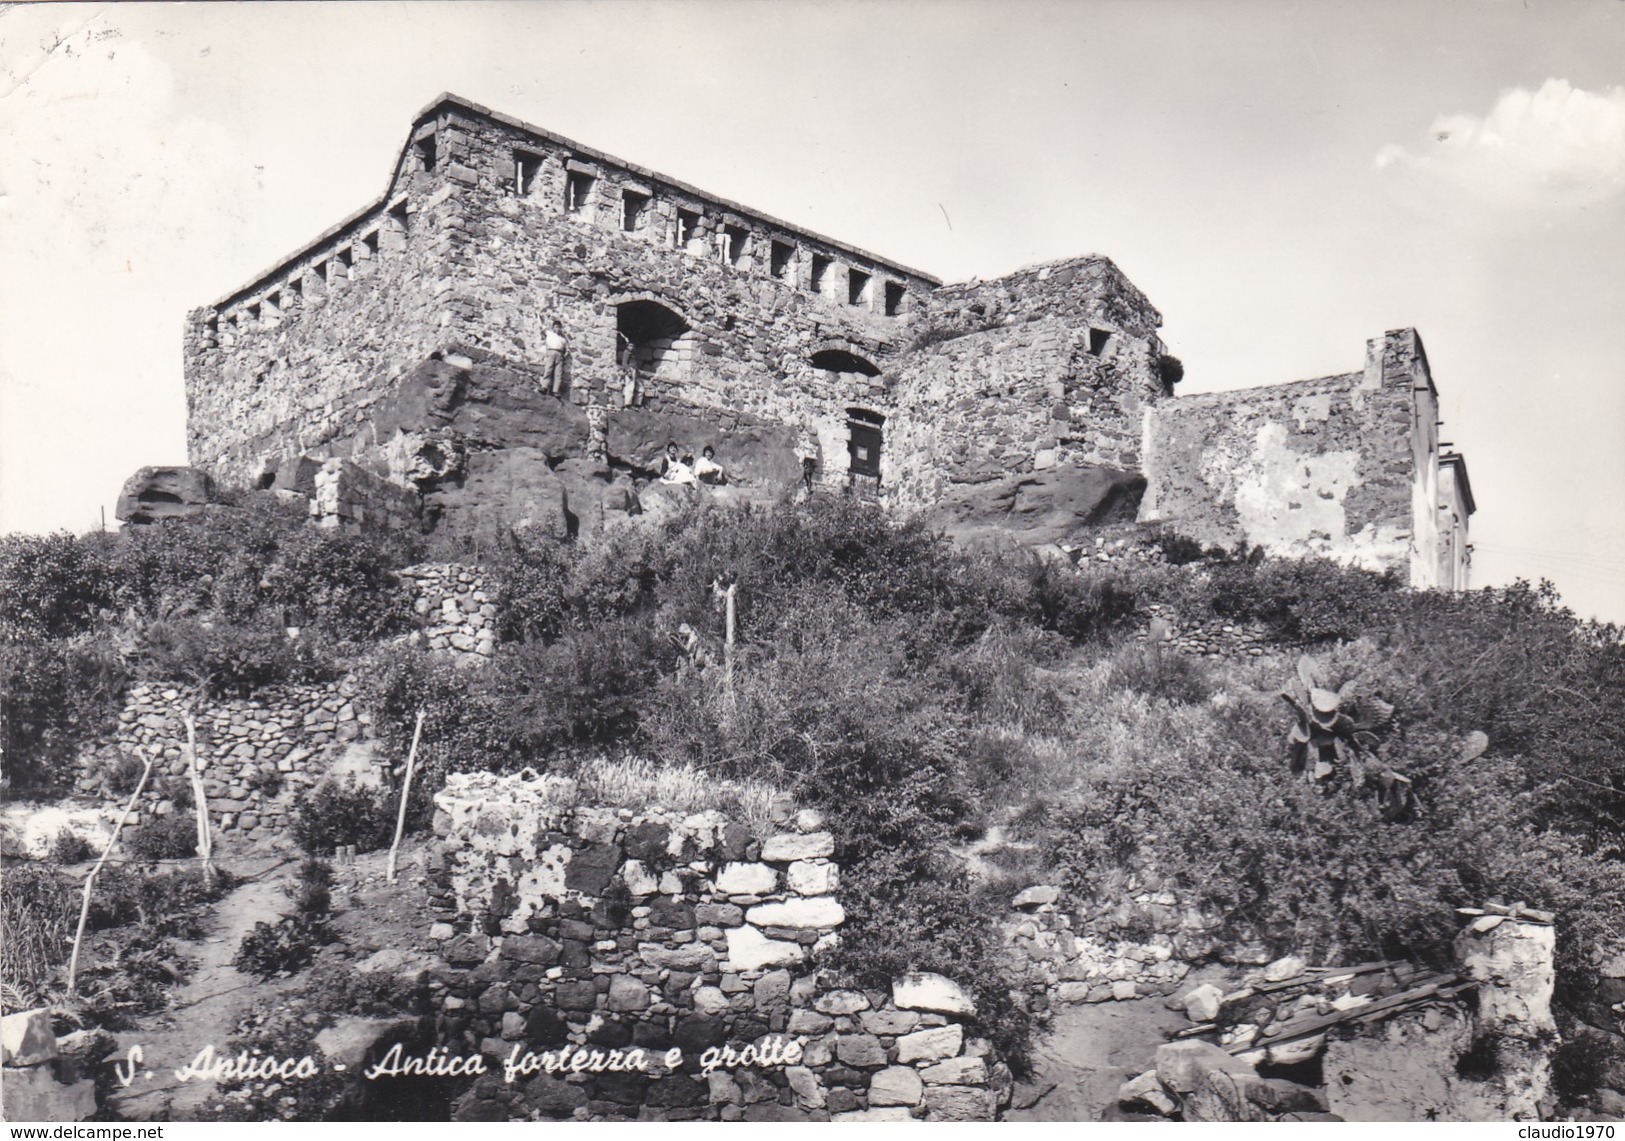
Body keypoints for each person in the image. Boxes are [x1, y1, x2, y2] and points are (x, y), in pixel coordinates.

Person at [542, 319, 568, 396]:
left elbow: (566, 349)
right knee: (548, 370)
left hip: (560, 354)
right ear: (553, 328)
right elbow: (542, 326)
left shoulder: (563, 339)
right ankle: (544, 387)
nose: (558, 329)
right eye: (556, 327)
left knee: (558, 374)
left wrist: (564, 355)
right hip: (551, 351)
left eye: (559, 327)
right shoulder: (549, 334)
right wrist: (538, 316)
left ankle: (555, 390)